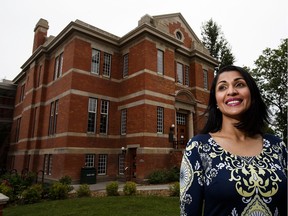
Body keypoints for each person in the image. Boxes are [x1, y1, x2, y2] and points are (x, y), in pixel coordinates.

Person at [180, 65, 287, 215]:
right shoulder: (199, 147)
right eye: (222, 87)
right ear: (216, 101)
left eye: (240, 84)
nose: (231, 91)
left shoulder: (277, 146)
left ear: (252, 94)